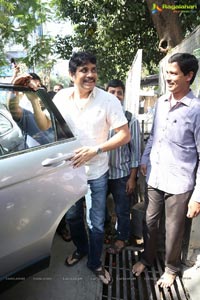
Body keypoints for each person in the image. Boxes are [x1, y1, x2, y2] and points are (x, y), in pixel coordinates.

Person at [13, 51, 130, 285]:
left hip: (96, 173)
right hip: (68, 173)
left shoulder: (108, 100)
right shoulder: (62, 97)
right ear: (71, 75)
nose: (90, 74)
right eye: (84, 70)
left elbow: (124, 135)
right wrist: (37, 101)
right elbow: (45, 124)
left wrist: (95, 150)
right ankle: (81, 249)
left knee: (95, 223)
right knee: (74, 218)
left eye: (93, 69)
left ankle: (95, 262)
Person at [132, 52, 200, 288]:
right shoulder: (161, 103)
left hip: (180, 184)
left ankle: (171, 268)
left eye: (174, 73)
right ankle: (146, 259)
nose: (168, 78)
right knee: (149, 223)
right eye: (167, 72)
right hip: (154, 176)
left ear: (189, 76)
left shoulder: (196, 110)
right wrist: (144, 158)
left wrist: (197, 197)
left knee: (173, 230)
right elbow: (154, 136)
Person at [105, 79, 141, 253]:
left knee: (122, 210)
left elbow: (136, 152)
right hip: (101, 173)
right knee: (98, 208)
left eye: (119, 92)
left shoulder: (130, 119)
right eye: (112, 92)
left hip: (122, 174)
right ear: (106, 94)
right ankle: (105, 233)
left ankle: (122, 238)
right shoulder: (100, 117)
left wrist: (132, 178)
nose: (116, 96)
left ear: (123, 96)